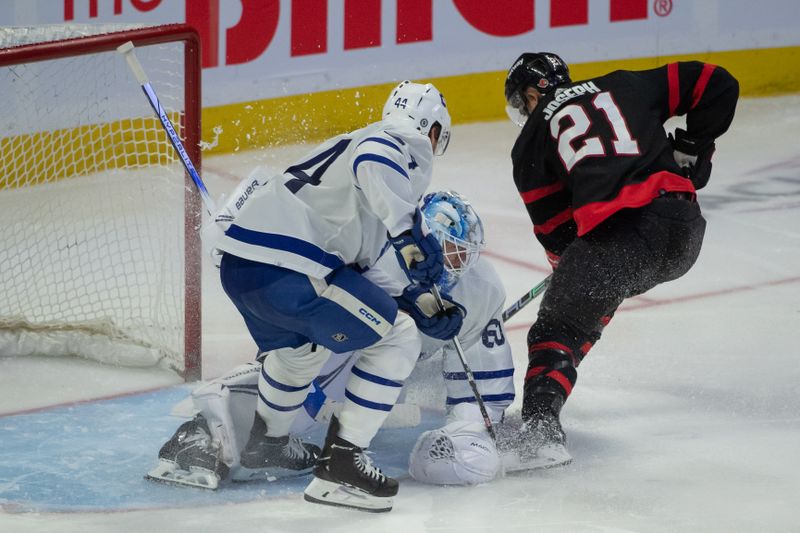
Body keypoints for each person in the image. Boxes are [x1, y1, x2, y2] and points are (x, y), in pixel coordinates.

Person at [168, 81, 462, 512]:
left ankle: (266, 446)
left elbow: (363, 272)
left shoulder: (346, 150)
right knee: (398, 337)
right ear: (432, 130)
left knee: (300, 352)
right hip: (292, 272)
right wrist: (410, 234)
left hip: (245, 271)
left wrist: (413, 298)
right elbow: (375, 159)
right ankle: (343, 464)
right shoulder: (392, 143)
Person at [148, 191, 525, 492]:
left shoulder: (481, 290)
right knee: (304, 368)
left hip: (397, 368)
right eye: (439, 249)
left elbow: (481, 372)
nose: (446, 263)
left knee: (395, 353)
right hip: (337, 344)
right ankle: (205, 432)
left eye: (457, 253)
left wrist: (471, 429)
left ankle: (341, 439)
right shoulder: (372, 245)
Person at [502, 53, 739, 461]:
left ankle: (540, 433)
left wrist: (576, 297)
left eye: (521, 104)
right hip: (684, 231)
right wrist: (692, 149)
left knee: (558, 327)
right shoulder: (624, 83)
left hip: (624, 239)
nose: (523, 114)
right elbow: (716, 82)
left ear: (530, 93)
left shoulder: (529, 145)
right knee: (593, 287)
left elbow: (561, 240)